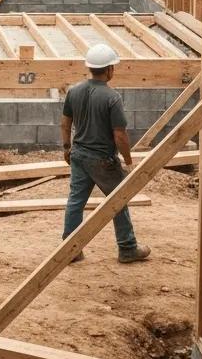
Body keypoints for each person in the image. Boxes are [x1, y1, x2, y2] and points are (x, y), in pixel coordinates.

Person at [60, 43, 151, 263]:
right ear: (109, 69)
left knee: (75, 202)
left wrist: (66, 147)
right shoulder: (112, 98)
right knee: (118, 201)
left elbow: (65, 123)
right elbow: (120, 135)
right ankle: (128, 248)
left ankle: (69, 250)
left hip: (79, 156)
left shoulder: (74, 91)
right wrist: (128, 161)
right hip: (103, 160)